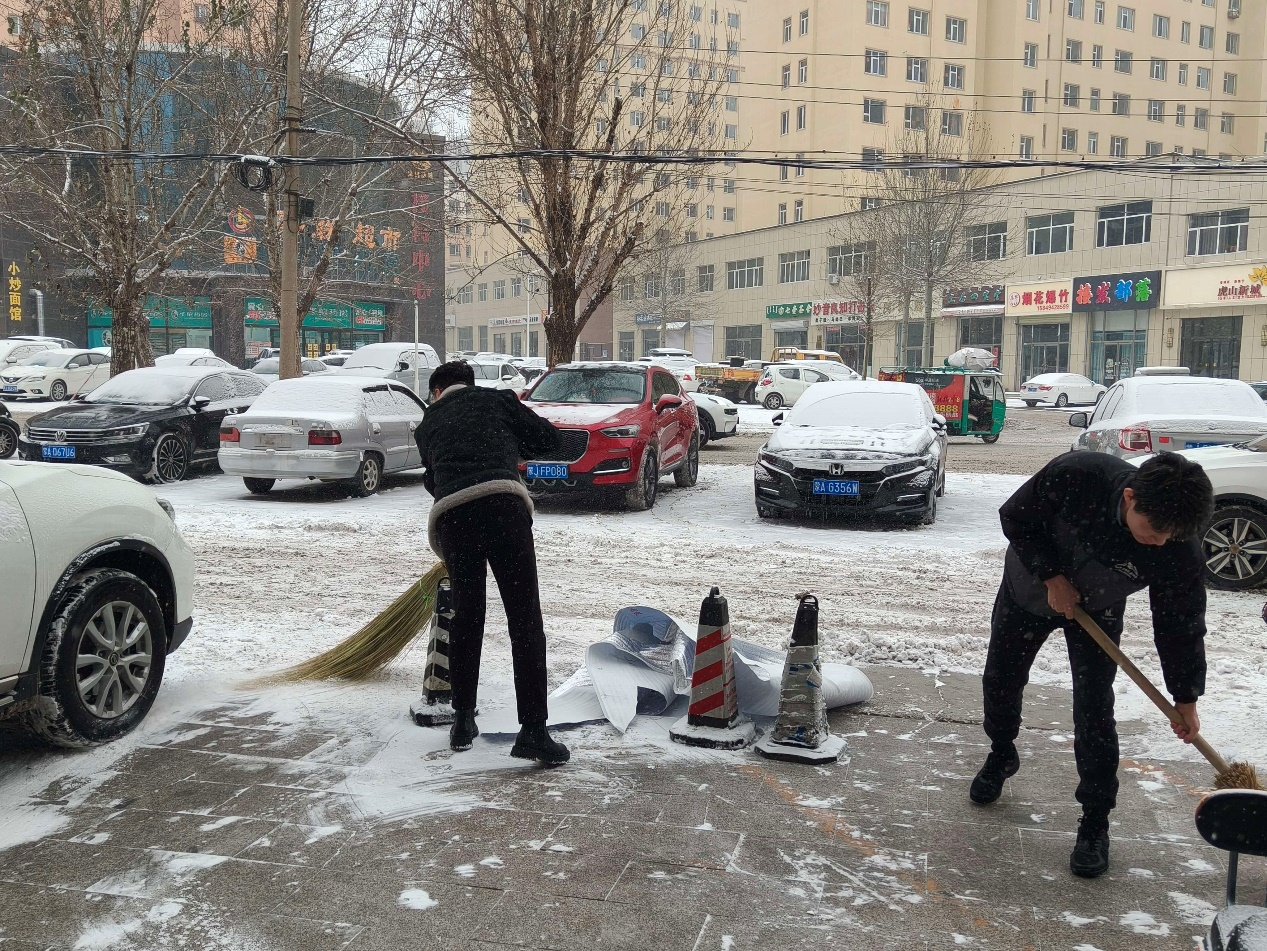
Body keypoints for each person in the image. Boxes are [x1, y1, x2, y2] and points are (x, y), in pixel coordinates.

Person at [971, 451, 1213, 878]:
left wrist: (1186, 696)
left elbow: (1181, 624)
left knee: (1095, 707)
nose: (1161, 542)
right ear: (1130, 497)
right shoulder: (1077, 476)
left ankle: (1095, 821)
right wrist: (1052, 577)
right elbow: (1017, 518)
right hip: (1029, 589)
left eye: (1171, 535)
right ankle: (1001, 752)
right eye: (1155, 530)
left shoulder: (1176, 547)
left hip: (1099, 606)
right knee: (1002, 679)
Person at [414, 360, 570, 766]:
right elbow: (548, 439)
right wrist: (510, 446)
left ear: (437, 392)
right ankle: (533, 730)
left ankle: (462, 721)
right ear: (469, 384)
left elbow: (432, 479)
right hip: (503, 508)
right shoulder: (497, 400)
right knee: (524, 618)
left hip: (454, 517)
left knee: (467, 617)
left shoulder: (429, 422)